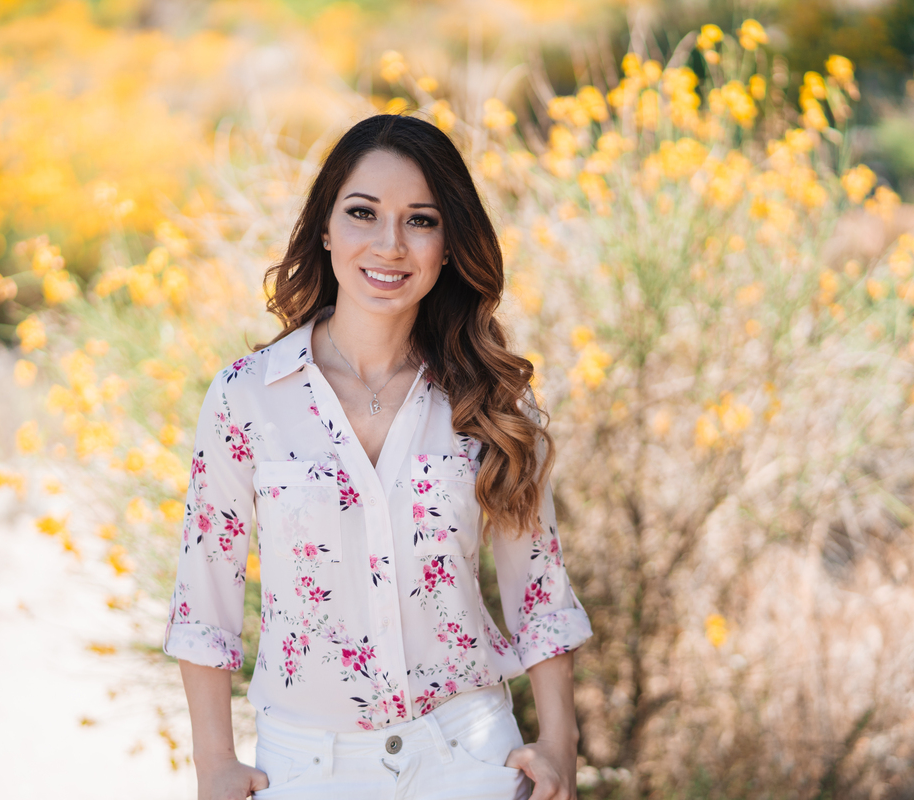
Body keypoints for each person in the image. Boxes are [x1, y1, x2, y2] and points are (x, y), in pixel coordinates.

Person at [164, 113, 593, 800]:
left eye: (420, 220)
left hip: (470, 755)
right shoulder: (246, 397)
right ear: (325, 229)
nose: (389, 245)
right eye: (363, 213)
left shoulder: (488, 399)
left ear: (449, 244)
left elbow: (538, 588)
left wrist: (560, 748)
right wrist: (213, 760)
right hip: (304, 766)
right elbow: (204, 596)